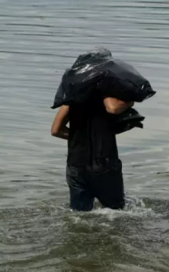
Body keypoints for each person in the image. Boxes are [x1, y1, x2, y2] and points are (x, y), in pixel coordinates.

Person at [51, 49, 134, 212]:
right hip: (103, 162)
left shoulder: (72, 96)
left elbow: (56, 130)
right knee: (116, 212)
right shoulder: (107, 92)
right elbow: (113, 108)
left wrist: (78, 138)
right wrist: (130, 101)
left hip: (76, 165)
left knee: (79, 215)